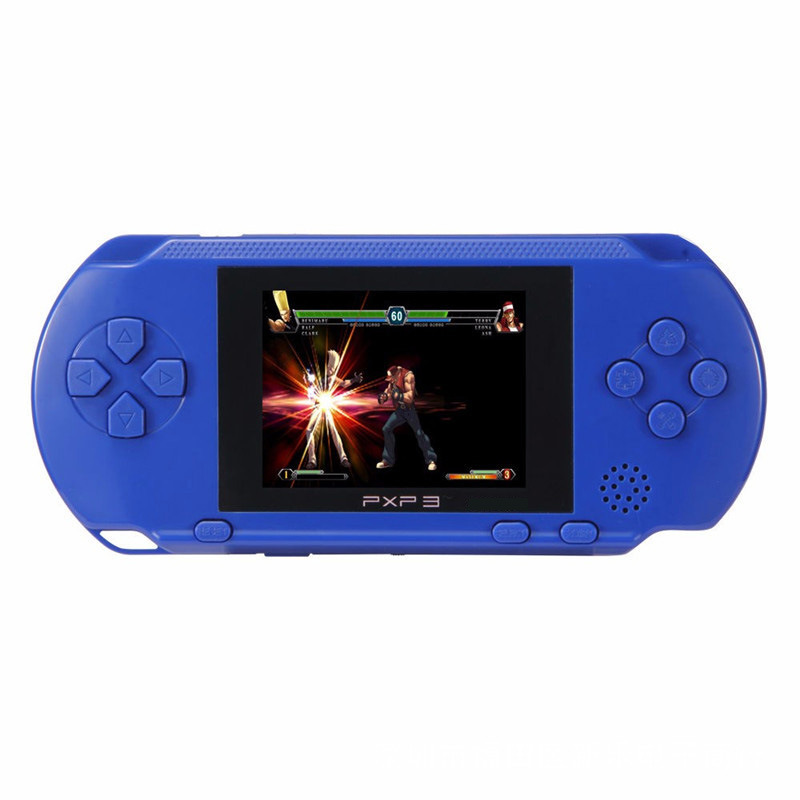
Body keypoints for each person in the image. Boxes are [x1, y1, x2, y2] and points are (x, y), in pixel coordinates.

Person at [376, 365, 437, 471]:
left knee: (419, 433)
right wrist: (384, 397)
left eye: (392, 378)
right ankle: (387, 460)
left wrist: (399, 396)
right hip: (399, 411)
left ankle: (431, 459)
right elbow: (389, 391)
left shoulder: (408, 376)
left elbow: (410, 397)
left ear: (397, 374)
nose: (391, 380)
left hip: (409, 411)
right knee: (386, 429)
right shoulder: (393, 380)